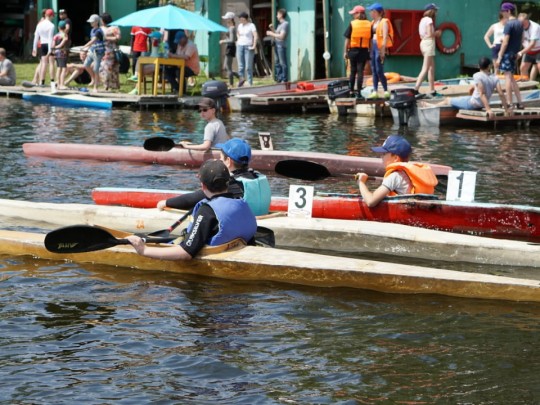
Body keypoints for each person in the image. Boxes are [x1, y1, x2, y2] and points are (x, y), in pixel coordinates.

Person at [127, 159, 257, 261]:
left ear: (202, 185)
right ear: (228, 182)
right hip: (238, 252)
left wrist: (144, 251)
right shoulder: (242, 203)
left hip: (214, 259)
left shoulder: (207, 210)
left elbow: (186, 253)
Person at [157, 138, 272, 216]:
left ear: (228, 161)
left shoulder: (232, 184)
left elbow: (194, 198)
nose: (219, 161)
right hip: (260, 218)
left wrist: (166, 202)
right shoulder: (258, 176)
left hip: (248, 225)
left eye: (221, 158)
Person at [356, 135, 438, 207]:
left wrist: (361, 182)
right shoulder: (408, 174)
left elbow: (371, 202)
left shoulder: (395, 176)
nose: (381, 156)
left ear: (395, 158)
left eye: (384, 154)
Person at [421, 57, 512, 118]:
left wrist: (488, 110)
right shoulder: (494, 77)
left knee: (447, 100)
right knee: (462, 98)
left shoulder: (477, 75)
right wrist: (506, 109)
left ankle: (431, 106)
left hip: (473, 104)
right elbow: (501, 94)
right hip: (480, 103)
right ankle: (434, 105)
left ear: (479, 66)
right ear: (489, 67)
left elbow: (482, 93)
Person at [495, 2, 524, 109]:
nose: (502, 13)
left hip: (507, 54)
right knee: (511, 78)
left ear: (508, 11)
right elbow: (521, 39)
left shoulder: (508, 24)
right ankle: (520, 103)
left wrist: (499, 56)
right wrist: (518, 51)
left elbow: (505, 42)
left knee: (507, 78)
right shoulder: (519, 23)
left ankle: (509, 103)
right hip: (514, 53)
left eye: (503, 11)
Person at [343, 5, 371, 98]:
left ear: (358, 14)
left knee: (353, 71)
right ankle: (359, 91)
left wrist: (345, 51)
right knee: (360, 72)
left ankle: (351, 91)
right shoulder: (369, 24)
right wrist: (370, 50)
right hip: (364, 51)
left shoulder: (352, 24)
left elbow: (347, 39)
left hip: (353, 51)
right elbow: (370, 40)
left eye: (354, 13)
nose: (353, 15)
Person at [367, 3, 394, 99]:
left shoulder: (384, 21)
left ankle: (386, 90)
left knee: (379, 70)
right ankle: (375, 91)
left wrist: (382, 50)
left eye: (372, 11)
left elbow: (385, 36)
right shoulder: (372, 23)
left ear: (377, 12)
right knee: (373, 70)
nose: (371, 13)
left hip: (379, 47)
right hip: (372, 47)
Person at [414, 3, 441, 97]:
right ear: (432, 11)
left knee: (431, 68)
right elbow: (430, 34)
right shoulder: (429, 20)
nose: (436, 12)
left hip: (423, 43)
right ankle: (415, 89)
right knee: (425, 68)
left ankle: (432, 90)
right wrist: (437, 33)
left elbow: (423, 34)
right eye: (435, 10)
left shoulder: (422, 20)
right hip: (429, 43)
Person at [166, 30, 200, 94]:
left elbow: (186, 57)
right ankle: (177, 88)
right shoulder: (179, 45)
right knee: (167, 71)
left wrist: (173, 55)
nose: (178, 43)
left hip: (191, 69)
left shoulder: (190, 45)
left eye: (179, 41)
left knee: (179, 71)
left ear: (184, 38)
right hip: (180, 66)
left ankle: (182, 91)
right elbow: (177, 55)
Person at [82, 14, 105, 92]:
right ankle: (94, 79)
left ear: (96, 22)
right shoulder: (92, 30)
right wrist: (86, 49)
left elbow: (93, 40)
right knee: (86, 65)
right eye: (90, 22)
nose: (90, 23)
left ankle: (95, 87)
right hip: (92, 51)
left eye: (92, 22)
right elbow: (92, 43)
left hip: (98, 52)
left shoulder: (99, 31)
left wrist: (84, 46)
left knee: (96, 69)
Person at [32, 8, 55, 86]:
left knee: (43, 63)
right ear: (51, 16)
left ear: (45, 15)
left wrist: (34, 48)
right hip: (49, 45)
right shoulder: (51, 25)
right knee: (51, 63)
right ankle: (52, 81)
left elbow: (36, 37)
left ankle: (42, 82)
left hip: (42, 44)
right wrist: (50, 50)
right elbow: (50, 38)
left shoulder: (39, 24)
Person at [99, 13, 121, 91]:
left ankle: (109, 86)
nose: (100, 21)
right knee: (103, 68)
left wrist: (107, 38)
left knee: (110, 69)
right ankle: (106, 85)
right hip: (104, 50)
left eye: (101, 19)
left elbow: (118, 38)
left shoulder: (114, 27)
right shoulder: (101, 28)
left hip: (111, 51)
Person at [266, 8, 289, 83]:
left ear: (281, 15)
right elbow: (277, 33)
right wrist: (272, 29)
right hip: (276, 45)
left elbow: (281, 36)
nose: (276, 16)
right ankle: (279, 78)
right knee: (277, 63)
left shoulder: (285, 24)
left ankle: (284, 79)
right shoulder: (280, 25)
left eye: (277, 14)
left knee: (283, 63)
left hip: (281, 46)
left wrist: (271, 33)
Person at [236, 12, 258, 87]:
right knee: (240, 66)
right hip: (240, 46)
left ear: (245, 18)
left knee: (248, 66)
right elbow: (238, 33)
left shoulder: (251, 25)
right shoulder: (239, 26)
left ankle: (249, 82)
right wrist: (238, 40)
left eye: (241, 18)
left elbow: (255, 35)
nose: (240, 20)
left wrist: (254, 45)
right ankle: (241, 81)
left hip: (248, 46)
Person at [517, 13, 540, 82]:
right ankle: (527, 87)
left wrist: (520, 53)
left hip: (538, 50)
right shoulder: (519, 26)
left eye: (523, 22)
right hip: (528, 51)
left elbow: (532, 44)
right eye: (520, 22)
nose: (521, 24)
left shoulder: (535, 27)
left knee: (539, 67)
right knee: (523, 68)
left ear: (527, 20)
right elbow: (519, 40)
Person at [220, 12, 240, 86]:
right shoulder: (231, 28)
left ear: (230, 19)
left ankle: (231, 84)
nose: (225, 20)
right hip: (229, 47)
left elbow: (232, 40)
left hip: (230, 48)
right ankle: (240, 77)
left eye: (226, 18)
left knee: (228, 68)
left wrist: (223, 41)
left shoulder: (232, 28)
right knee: (225, 67)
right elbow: (235, 38)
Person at [52, 21, 69, 89]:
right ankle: (61, 84)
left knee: (59, 68)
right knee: (64, 69)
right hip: (62, 54)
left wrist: (54, 49)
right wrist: (57, 47)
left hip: (56, 53)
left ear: (58, 27)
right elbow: (62, 43)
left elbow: (53, 45)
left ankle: (58, 83)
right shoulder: (65, 35)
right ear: (65, 28)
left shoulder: (56, 35)